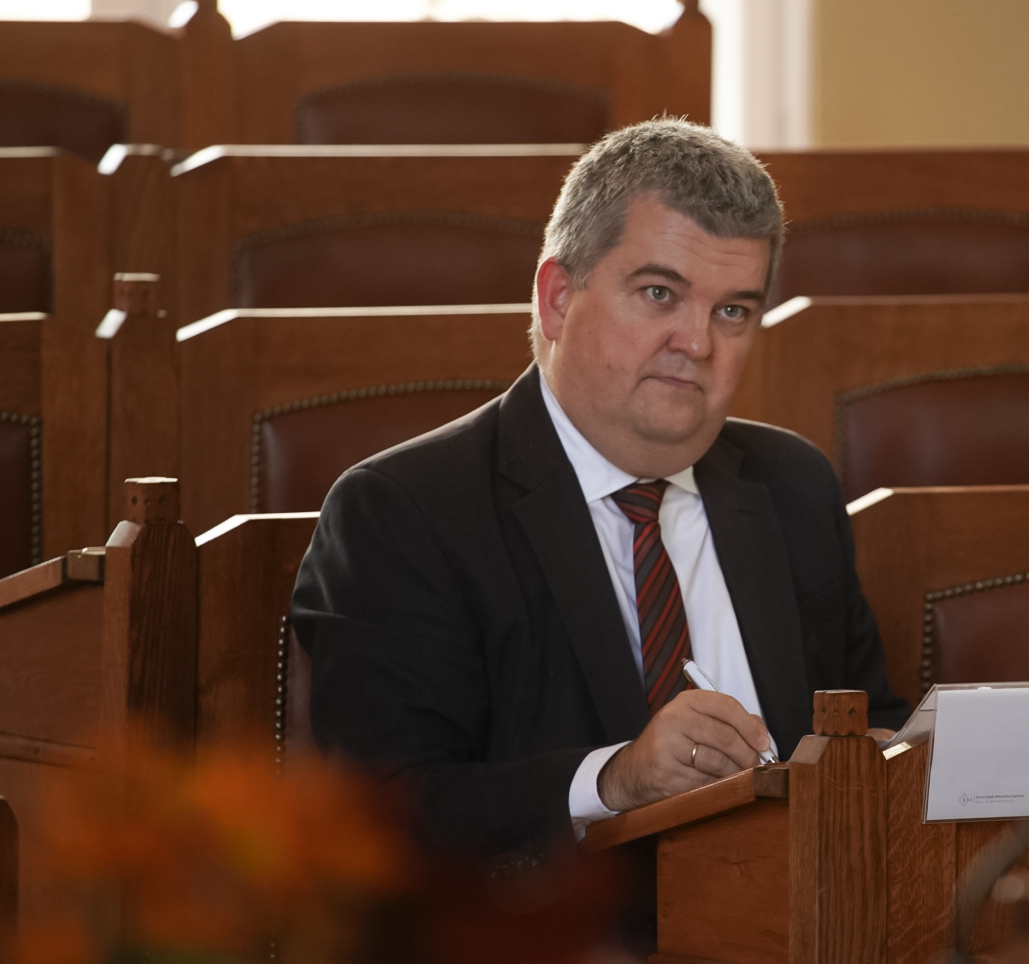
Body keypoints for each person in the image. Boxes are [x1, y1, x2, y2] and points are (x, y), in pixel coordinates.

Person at [290, 119, 910, 862]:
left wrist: (894, 760)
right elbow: (385, 813)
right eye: (659, 293)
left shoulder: (792, 485)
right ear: (557, 298)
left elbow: (868, 721)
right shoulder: (405, 510)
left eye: (732, 311)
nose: (698, 343)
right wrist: (614, 781)